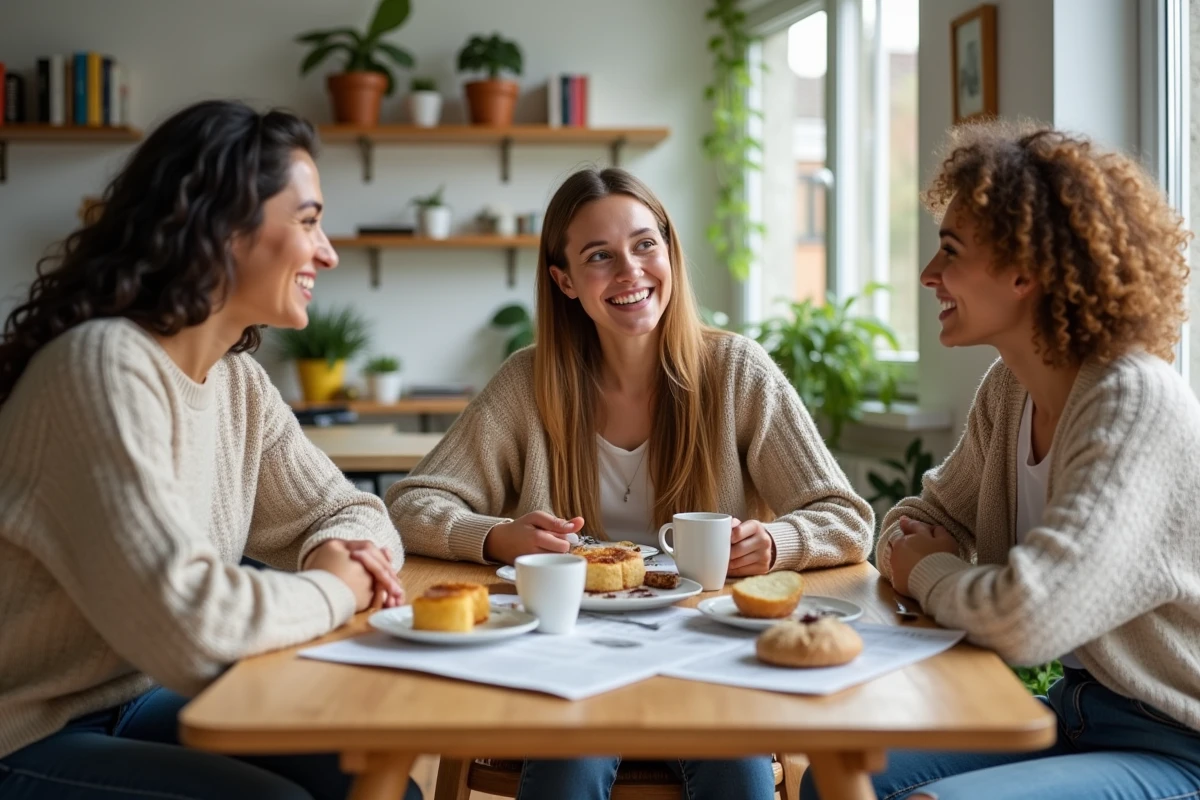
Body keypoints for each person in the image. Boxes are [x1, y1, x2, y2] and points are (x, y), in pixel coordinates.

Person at [389, 166, 873, 800]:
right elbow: (412, 504)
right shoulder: (528, 383)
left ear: (670, 251)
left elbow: (844, 515)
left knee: (739, 776)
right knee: (568, 771)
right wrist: (496, 537)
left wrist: (776, 544)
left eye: (646, 244)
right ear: (564, 281)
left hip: (708, 647)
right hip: (569, 653)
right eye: (599, 256)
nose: (630, 271)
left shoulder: (735, 372)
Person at [0, 100, 420, 800]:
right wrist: (333, 588)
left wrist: (327, 548)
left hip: (137, 695)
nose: (328, 251)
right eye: (309, 221)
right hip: (27, 729)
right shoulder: (100, 368)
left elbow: (357, 513)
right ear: (224, 226)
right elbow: (192, 624)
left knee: (372, 783)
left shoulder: (236, 382)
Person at [803, 120, 1200, 799]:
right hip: (1072, 715)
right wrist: (932, 557)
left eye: (950, 252)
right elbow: (919, 517)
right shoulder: (1012, 387)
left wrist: (931, 569)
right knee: (832, 779)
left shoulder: (1134, 403)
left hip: (1175, 741)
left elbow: (1026, 618)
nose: (929, 275)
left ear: (1027, 271)